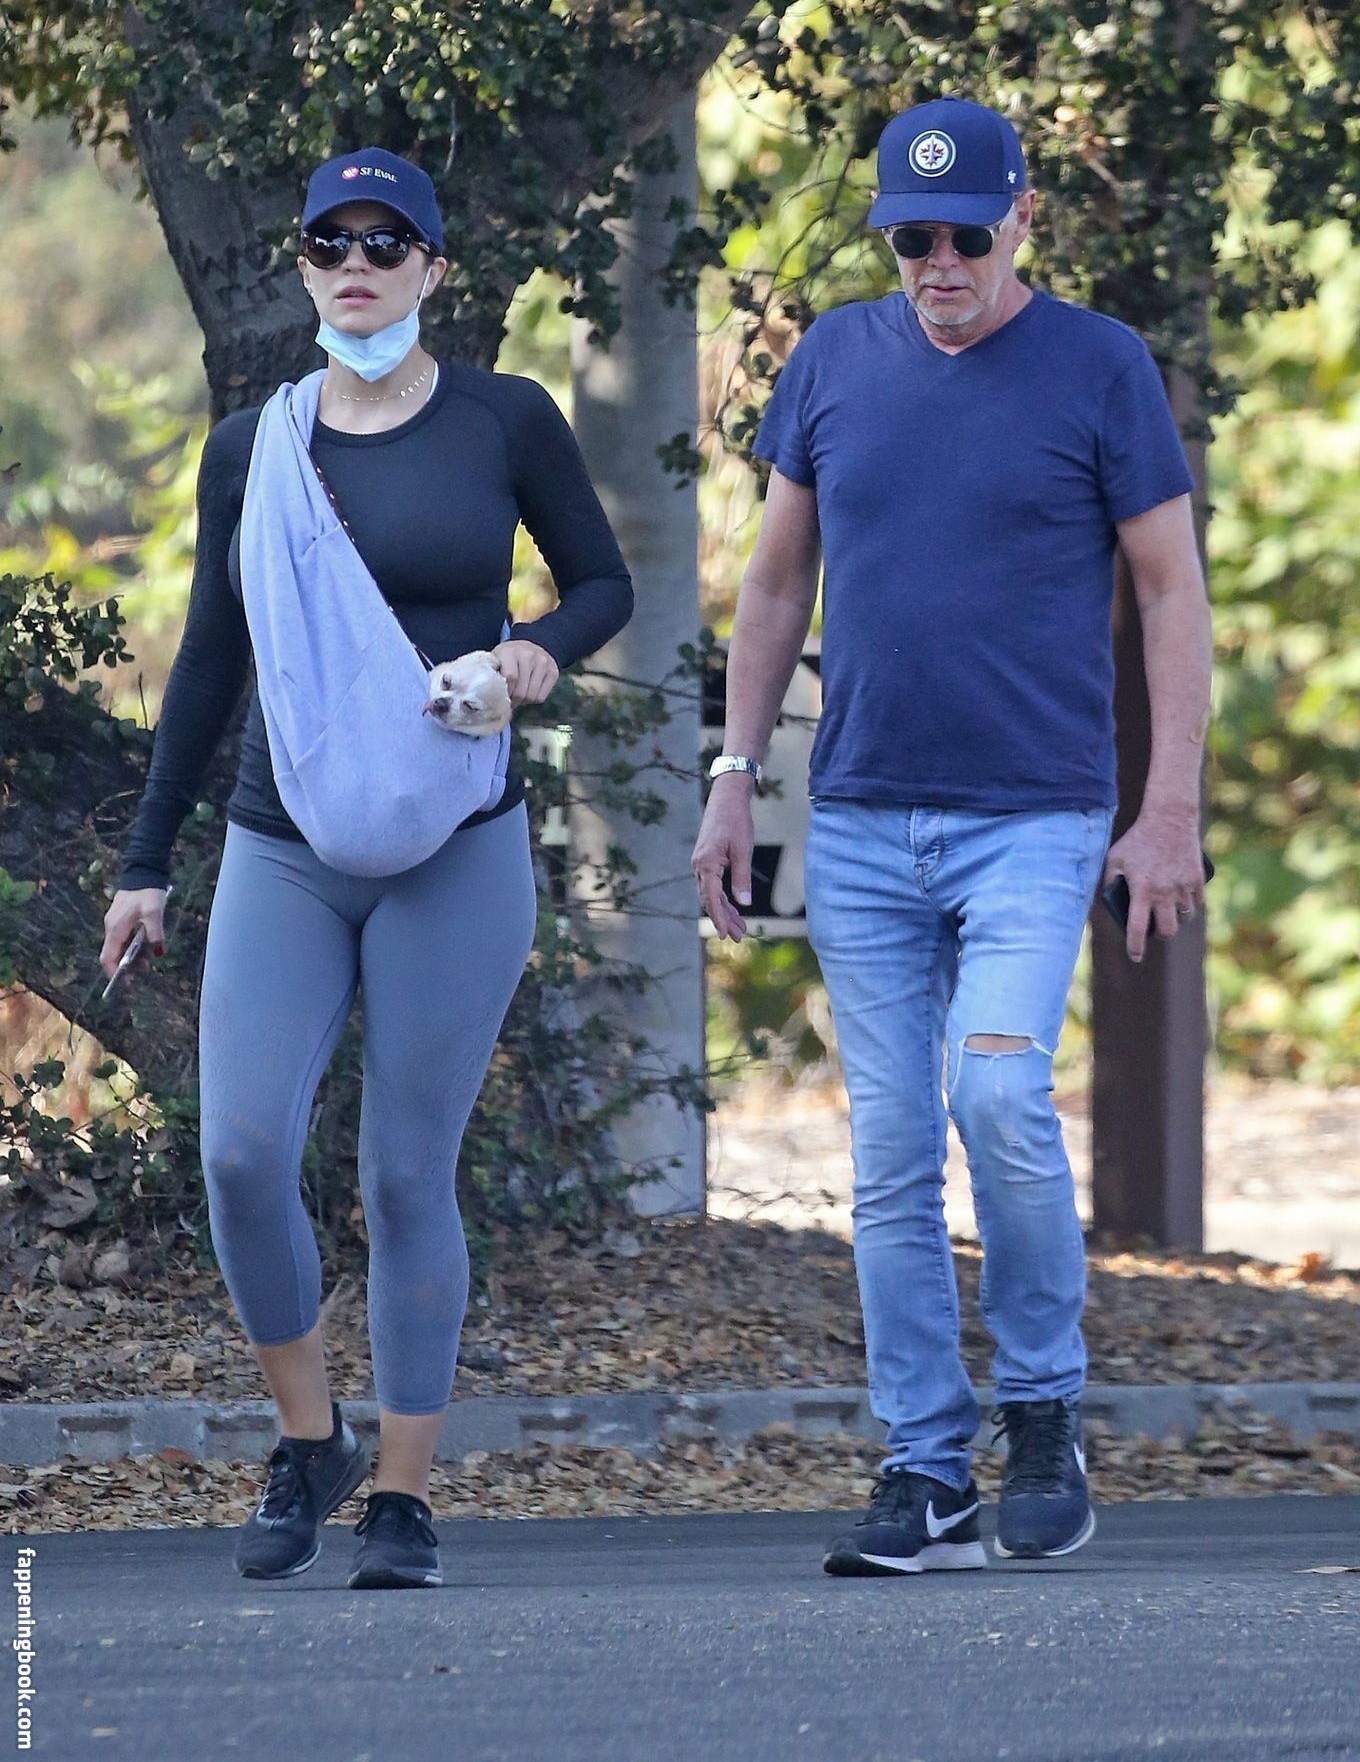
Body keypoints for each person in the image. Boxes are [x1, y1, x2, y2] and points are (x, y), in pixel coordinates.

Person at [100, 147, 633, 1588]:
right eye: (330, 241)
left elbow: (604, 583)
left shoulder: (504, 418)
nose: (357, 263)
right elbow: (211, 659)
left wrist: (535, 654)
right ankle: (309, 1438)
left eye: (386, 242)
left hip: (455, 843)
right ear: (302, 267)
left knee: (405, 1177)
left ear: (432, 271)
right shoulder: (254, 448)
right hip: (286, 842)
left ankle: (403, 1494)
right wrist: (146, 862)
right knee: (238, 1151)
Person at [692, 98, 1211, 1575]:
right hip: (861, 815)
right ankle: (927, 1467)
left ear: (1022, 220)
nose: (937, 263)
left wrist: (1168, 807)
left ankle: (1043, 1409)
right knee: (892, 1158)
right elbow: (775, 584)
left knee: (997, 1097)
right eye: (909, 237)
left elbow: (1169, 591)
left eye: (965, 236)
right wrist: (734, 777)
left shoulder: (1100, 367)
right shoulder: (832, 363)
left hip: (1035, 815)